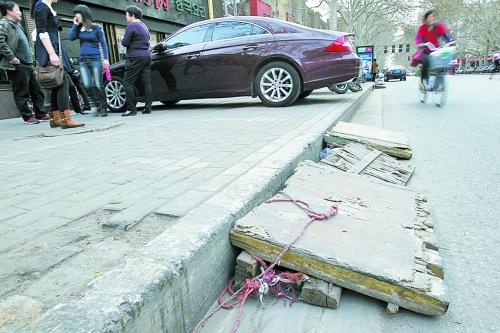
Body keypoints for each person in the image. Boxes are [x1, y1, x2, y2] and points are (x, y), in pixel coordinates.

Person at [30, 0, 84, 128]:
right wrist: (52, 53)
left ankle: (55, 119)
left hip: (54, 50)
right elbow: (42, 32)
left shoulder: (45, 6)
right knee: (63, 82)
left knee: (56, 84)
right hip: (50, 51)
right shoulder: (41, 6)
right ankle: (66, 119)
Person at [0, 1, 48, 124]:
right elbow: (1, 42)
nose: (20, 12)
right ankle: (27, 116)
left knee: (37, 91)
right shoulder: (4, 24)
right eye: (17, 9)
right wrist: (11, 57)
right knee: (22, 92)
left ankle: (41, 113)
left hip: (28, 64)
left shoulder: (17, 25)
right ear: (9, 11)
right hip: (17, 65)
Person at [68, 4, 109, 117]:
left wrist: (105, 58)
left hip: (95, 59)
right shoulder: (79, 28)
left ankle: (104, 107)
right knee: (86, 84)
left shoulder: (97, 28)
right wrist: (75, 25)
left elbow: (104, 44)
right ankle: (98, 105)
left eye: (78, 13)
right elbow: (71, 37)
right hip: (83, 60)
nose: (76, 16)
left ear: (84, 14)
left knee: (98, 84)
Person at [120, 5, 152, 116]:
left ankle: (131, 109)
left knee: (127, 82)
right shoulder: (144, 26)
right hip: (146, 56)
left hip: (135, 57)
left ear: (132, 15)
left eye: (126, 15)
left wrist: (121, 39)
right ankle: (148, 108)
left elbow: (125, 43)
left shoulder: (131, 26)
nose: (126, 17)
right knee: (146, 82)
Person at [415, 9, 454, 89]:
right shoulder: (422, 28)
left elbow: (446, 35)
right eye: (430, 17)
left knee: (443, 60)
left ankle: (440, 78)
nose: (432, 18)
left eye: (434, 16)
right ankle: (425, 80)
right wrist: (421, 44)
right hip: (425, 50)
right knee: (425, 62)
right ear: (426, 19)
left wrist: (451, 42)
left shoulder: (439, 26)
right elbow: (419, 38)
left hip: (436, 50)